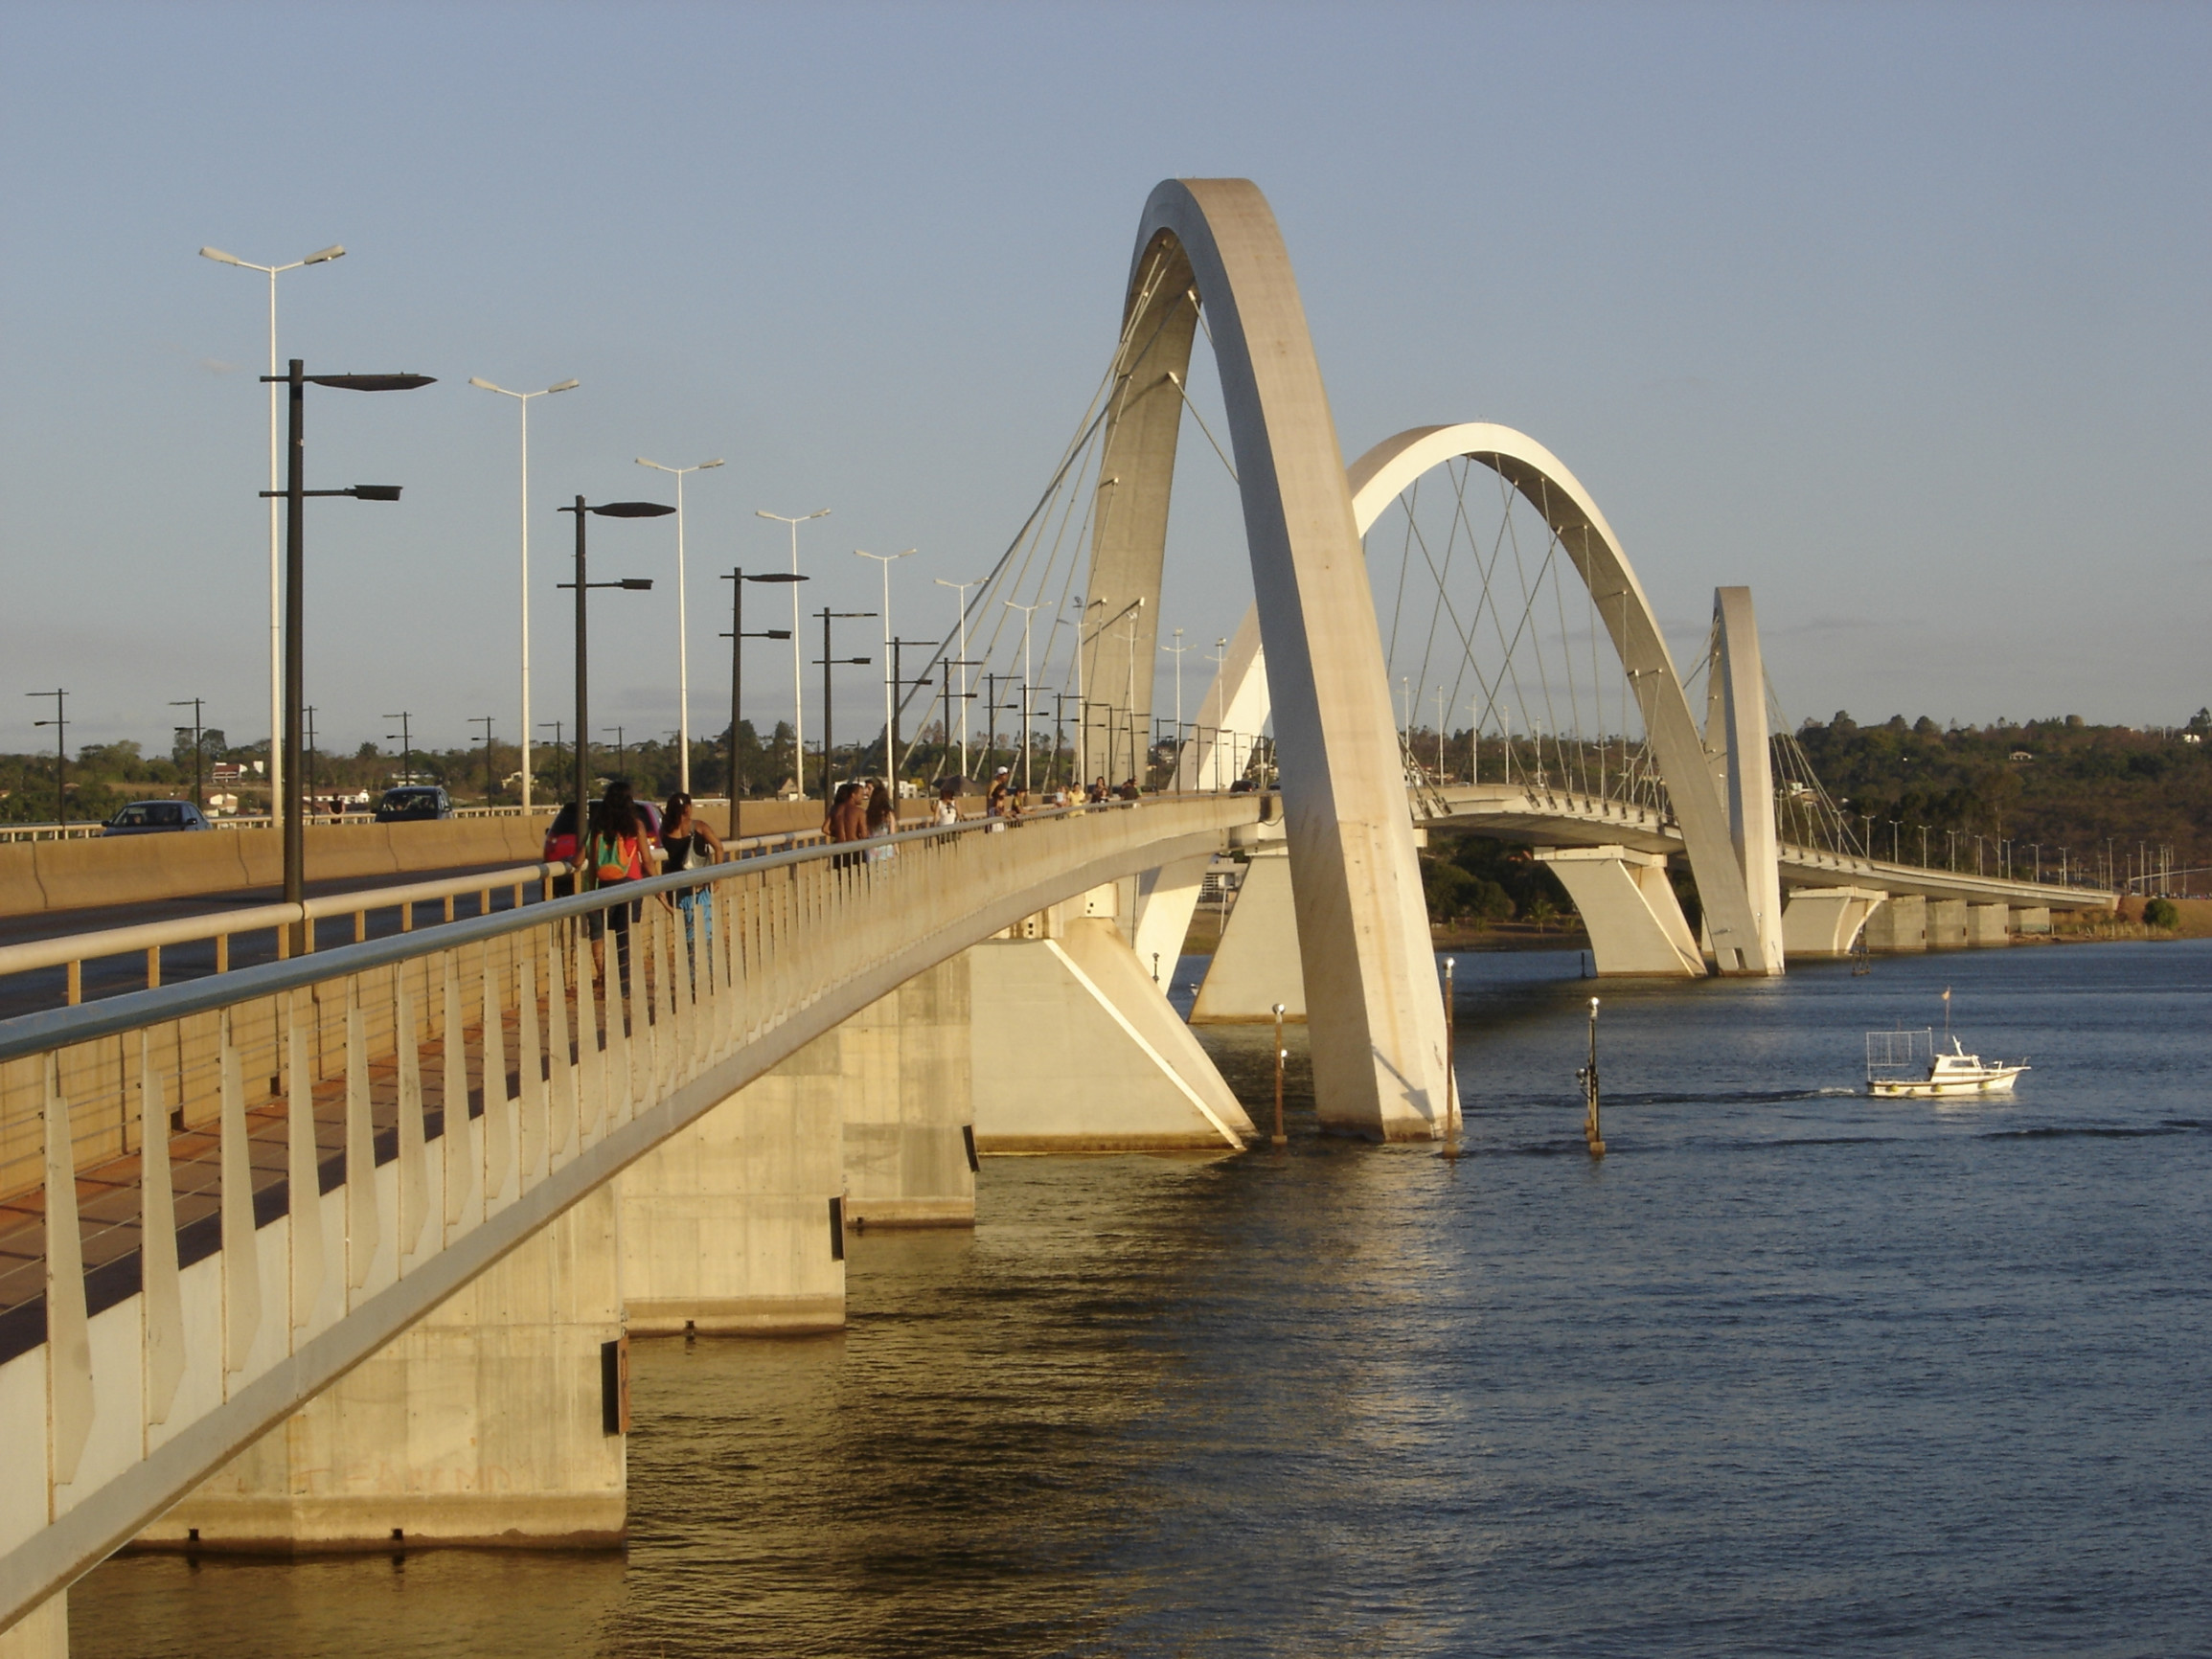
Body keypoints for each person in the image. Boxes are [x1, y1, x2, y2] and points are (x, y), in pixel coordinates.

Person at [575, 779, 655, 999]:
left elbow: (586, 861)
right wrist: (659, 883)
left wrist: (592, 890)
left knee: (607, 937)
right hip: (631, 886)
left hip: (605, 888)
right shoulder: (635, 825)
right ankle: (624, 987)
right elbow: (647, 860)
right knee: (625, 939)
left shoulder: (599, 825)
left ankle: (607, 982)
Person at [660, 791, 724, 954]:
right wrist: (717, 878)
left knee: (685, 930)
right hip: (699, 885)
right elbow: (719, 847)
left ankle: (690, 968)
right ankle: (704, 967)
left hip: (676, 885)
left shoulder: (665, 831)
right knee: (705, 930)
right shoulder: (699, 827)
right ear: (688, 808)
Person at [864, 781, 899, 865]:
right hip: (886, 849)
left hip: (871, 849)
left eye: (868, 788)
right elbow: (892, 833)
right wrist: (897, 850)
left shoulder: (867, 813)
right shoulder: (888, 814)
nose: (865, 791)